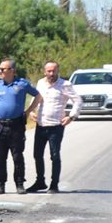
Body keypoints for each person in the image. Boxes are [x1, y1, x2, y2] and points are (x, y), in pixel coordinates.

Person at [0, 59, 41, 194]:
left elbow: (38, 96)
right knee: (0, 157)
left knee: (17, 156)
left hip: (16, 126)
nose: (0, 72)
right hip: (0, 125)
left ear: (12, 71)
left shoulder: (22, 84)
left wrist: (28, 111)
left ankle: (20, 184)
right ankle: (0, 184)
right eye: (0, 69)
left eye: (3, 69)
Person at [28, 61, 80, 193]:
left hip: (56, 126)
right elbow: (36, 98)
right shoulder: (40, 83)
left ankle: (54, 184)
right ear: (44, 71)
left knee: (55, 155)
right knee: (37, 155)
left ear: (58, 71)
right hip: (41, 124)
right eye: (49, 71)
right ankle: (40, 181)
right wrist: (31, 112)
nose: (51, 74)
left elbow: (78, 100)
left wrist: (71, 116)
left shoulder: (65, 85)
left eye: (54, 71)